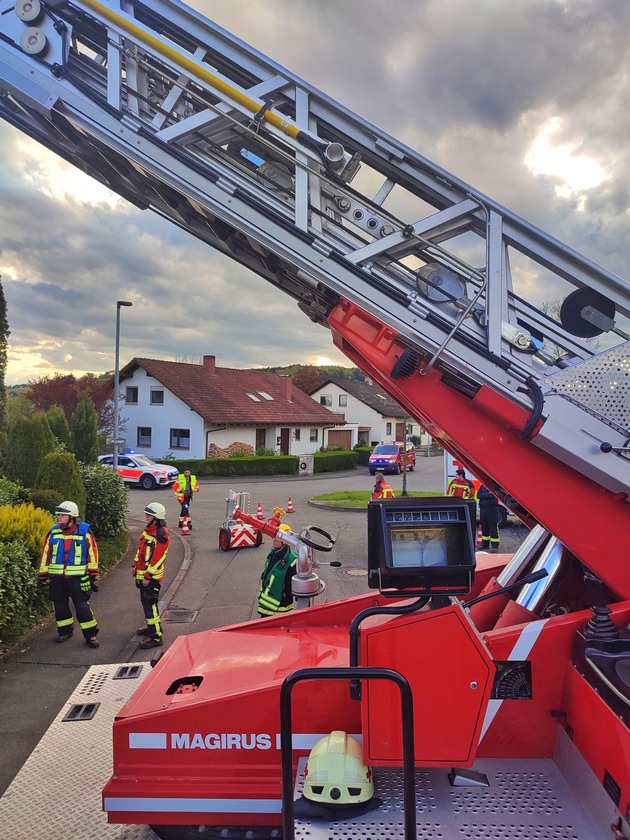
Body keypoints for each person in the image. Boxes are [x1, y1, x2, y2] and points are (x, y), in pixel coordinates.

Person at [38, 501, 100, 648]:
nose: (59, 517)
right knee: (59, 605)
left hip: (77, 578)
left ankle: (90, 635)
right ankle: (65, 631)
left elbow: (93, 553)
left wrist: (92, 575)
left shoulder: (85, 532)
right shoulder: (53, 532)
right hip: (57, 578)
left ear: (72, 517)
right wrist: (43, 575)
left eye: (63, 515)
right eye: (59, 515)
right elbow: (46, 554)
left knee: (82, 607)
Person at [133, 501, 170, 649]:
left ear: (156, 517)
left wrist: (148, 576)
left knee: (151, 606)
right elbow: (141, 550)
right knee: (146, 604)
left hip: (151, 578)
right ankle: (151, 628)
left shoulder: (161, 534)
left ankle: (156, 637)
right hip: (143, 576)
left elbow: (158, 557)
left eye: (149, 515)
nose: (146, 516)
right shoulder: (148, 530)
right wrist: (134, 565)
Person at [258, 523, 297, 618]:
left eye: (278, 537)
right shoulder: (273, 554)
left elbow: (295, 588)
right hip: (265, 607)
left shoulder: (292, 560)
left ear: (286, 541)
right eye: (274, 536)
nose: (274, 539)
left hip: (281, 610)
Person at [478, 485, 500, 552]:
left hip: (492, 509)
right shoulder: (482, 487)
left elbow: (493, 495)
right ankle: (485, 544)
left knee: (493, 527)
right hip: (483, 509)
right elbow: (478, 495)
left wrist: (483, 495)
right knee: (484, 527)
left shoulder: (494, 487)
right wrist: (487, 495)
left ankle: (495, 545)